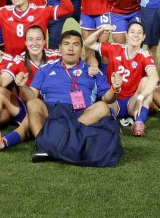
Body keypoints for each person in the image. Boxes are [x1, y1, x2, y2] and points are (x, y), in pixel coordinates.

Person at [25, 31, 123, 166]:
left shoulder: (92, 71)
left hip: (81, 114)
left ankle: (51, 146)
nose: (70, 48)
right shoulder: (46, 69)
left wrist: (115, 88)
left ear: (81, 49)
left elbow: (108, 98)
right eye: (66, 44)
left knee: (102, 107)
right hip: (54, 110)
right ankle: (43, 145)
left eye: (75, 44)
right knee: (33, 103)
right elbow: (32, 95)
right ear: (59, 48)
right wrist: (21, 86)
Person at [0, 26, 61, 152]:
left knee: (27, 119)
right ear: (25, 42)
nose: (34, 43)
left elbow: (74, 60)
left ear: (45, 42)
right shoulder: (19, 60)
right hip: (25, 107)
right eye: (30, 39)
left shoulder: (56, 56)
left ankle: (1, 141)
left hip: (49, 108)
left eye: (38, 39)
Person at [84, 22, 159, 136]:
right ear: (126, 35)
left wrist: (140, 97)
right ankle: (112, 124)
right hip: (113, 99)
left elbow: (154, 77)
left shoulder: (144, 55)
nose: (135, 35)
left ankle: (138, 123)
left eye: (139, 33)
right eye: (132, 32)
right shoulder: (115, 48)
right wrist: (101, 30)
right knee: (104, 101)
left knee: (147, 81)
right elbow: (87, 43)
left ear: (143, 37)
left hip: (133, 103)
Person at [0, 0, 74, 57]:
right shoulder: (3, 12)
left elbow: (68, 9)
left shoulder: (41, 11)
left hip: (37, 61)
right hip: (12, 63)